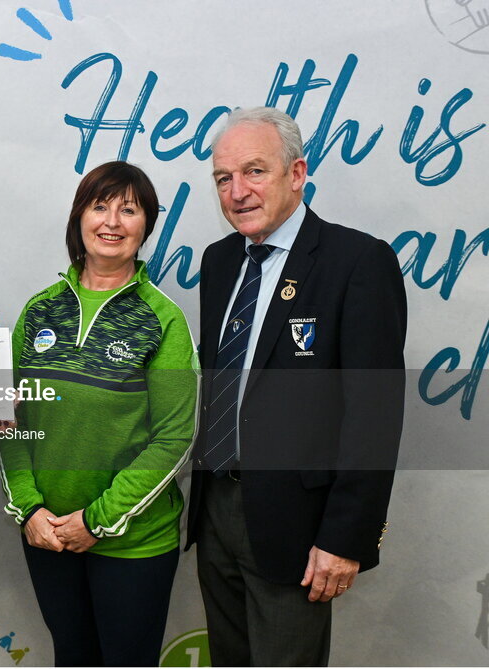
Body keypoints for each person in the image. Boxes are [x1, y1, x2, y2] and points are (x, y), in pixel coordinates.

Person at [185, 106, 407, 666]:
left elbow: (374, 417)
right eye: (222, 178)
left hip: (299, 528)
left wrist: (345, 537)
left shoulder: (358, 261)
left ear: (298, 173)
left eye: (254, 171)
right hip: (217, 513)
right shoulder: (219, 262)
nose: (237, 192)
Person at [0, 161, 199, 666]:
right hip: (48, 534)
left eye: (128, 210)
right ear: (79, 219)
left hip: (132, 543)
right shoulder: (39, 311)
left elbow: (174, 439)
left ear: (146, 226)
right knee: (72, 656)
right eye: (100, 206)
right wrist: (29, 508)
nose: (112, 221)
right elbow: (7, 418)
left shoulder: (163, 319)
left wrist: (98, 520)